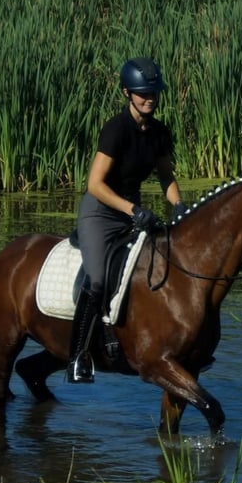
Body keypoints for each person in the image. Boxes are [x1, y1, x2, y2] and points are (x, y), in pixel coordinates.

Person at [67, 57, 188, 383]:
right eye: (141, 92)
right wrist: (132, 209)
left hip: (131, 211)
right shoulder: (116, 129)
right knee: (97, 281)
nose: (149, 98)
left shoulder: (160, 132)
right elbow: (94, 184)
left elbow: (166, 178)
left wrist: (179, 206)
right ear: (127, 93)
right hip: (101, 211)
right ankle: (78, 356)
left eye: (153, 92)